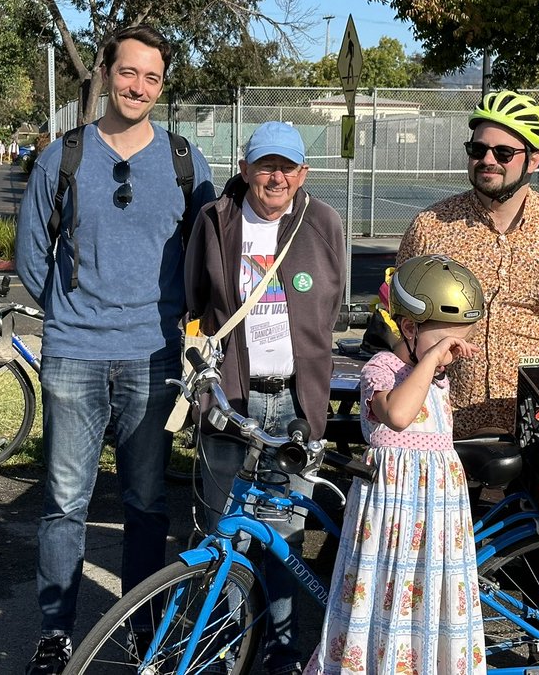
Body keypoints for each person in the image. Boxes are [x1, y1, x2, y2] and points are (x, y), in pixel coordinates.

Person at [15, 24, 215, 675]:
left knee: (146, 503)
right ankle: (55, 634)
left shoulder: (186, 162)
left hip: (154, 356)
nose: (138, 87)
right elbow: (30, 255)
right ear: (105, 73)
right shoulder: (63, 156)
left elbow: (208, 252)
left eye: (152, 77)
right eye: (128, 72)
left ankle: (141, 626)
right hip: (73, 354)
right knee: (64, 503)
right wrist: (70, 315)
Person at [184, 121, 346, 675]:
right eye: (265, 164)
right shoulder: (216, 220)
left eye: (287, 166)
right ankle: (227, 645)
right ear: (244, 167)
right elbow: (193, 301)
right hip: (233, 401)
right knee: (223, 530)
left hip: (296, 405)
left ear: (304, 174)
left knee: (283, 536)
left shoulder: (324, 223)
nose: (275, 176)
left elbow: (332, 311)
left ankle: (280, 645)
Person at [305, 255, 486, 675]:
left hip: (437, 515)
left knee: (431, 596)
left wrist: (435, 360)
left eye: (458, 346)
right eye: (445, 344)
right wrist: (428, 361)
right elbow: (399, 416)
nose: (449, 357)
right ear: (408, 329)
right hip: (391, 515)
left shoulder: (437, 377)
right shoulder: (382, 369)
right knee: (384, 595)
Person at [397, 90, 539, 437]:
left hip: (538, 418)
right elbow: (401, 320)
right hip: (448, 418)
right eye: (478, 150)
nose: (487, 159)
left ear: (534, 160)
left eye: (503, 152)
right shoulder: (430, 226)